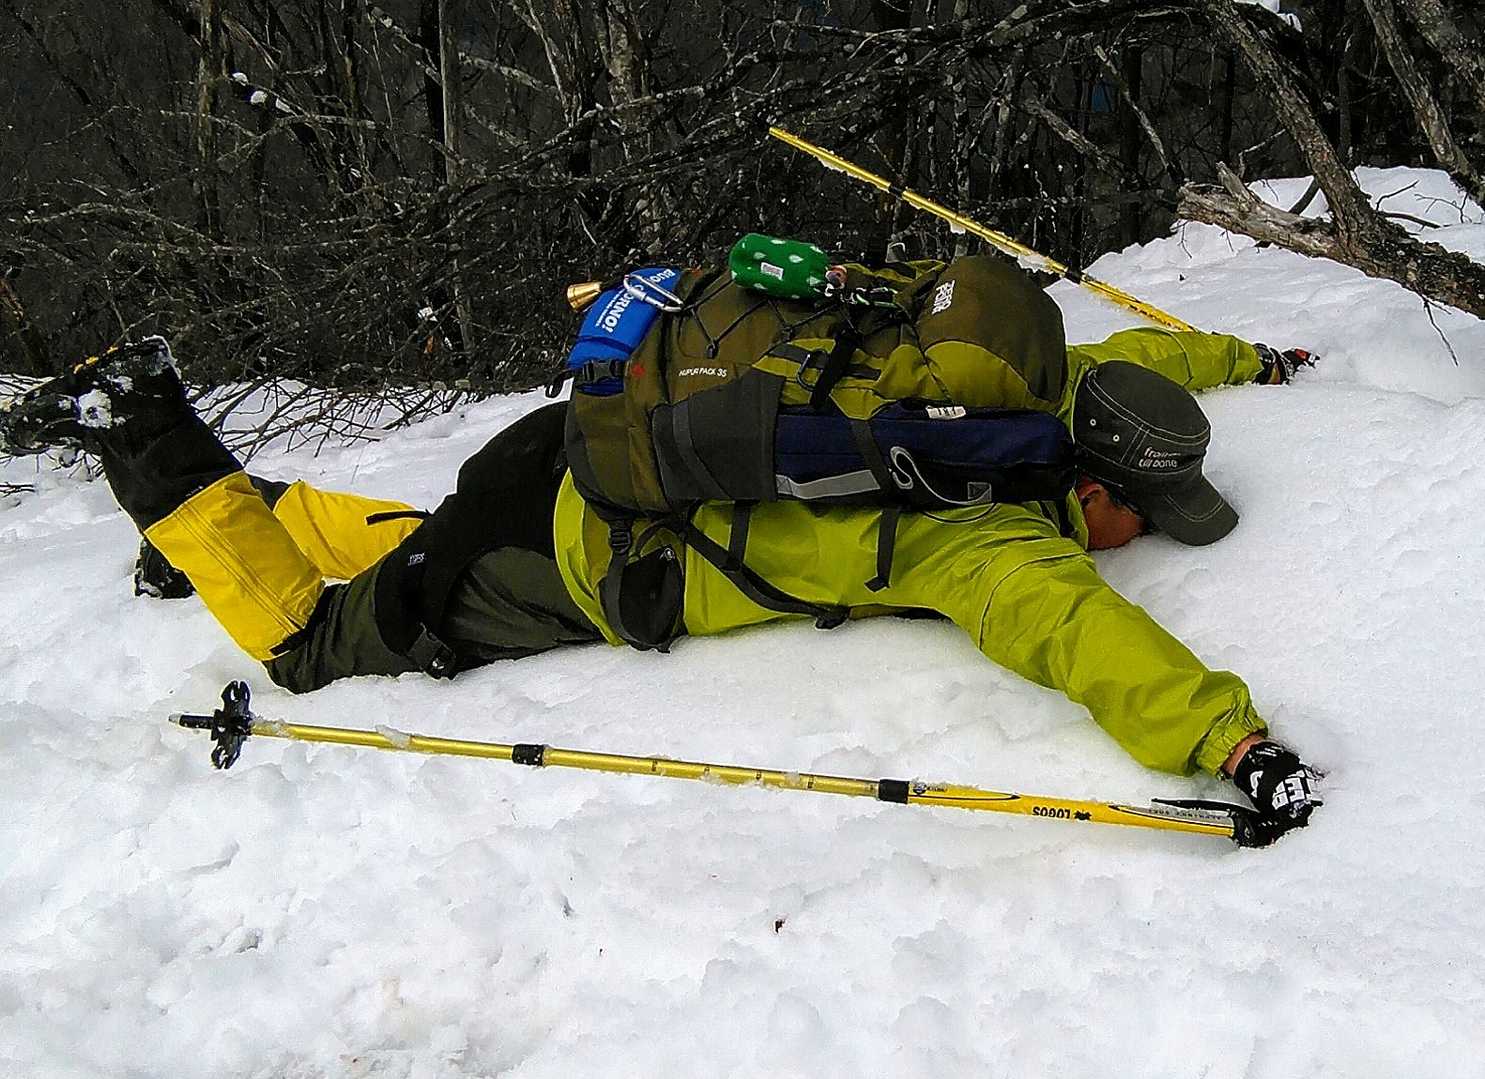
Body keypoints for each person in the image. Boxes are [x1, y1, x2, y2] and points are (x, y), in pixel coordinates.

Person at [0, 301, 1321, 844]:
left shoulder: (1004, 391)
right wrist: (1233, 742)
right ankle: (149, 434)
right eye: (1144, 516)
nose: (1142, 536)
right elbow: (1077, 636)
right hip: (574, 555)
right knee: (312, 644)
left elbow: (1133, 365)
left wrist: (1249, 361)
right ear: (1092, 486)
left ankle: (231, 525)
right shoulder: (979, 530)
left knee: (428, 541)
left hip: (583, 442)